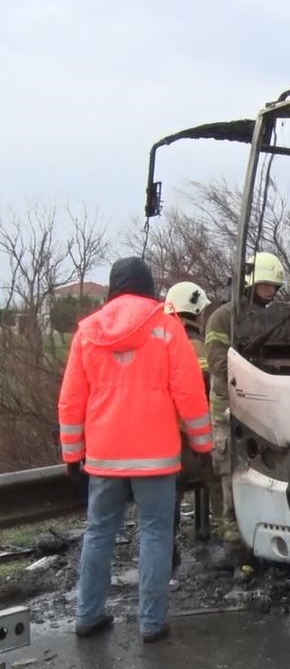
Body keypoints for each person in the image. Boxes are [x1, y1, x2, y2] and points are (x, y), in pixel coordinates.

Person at [58, 257, 212, 643]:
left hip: (105, 455)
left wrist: (72, 454)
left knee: (98, 533)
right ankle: (151, 623)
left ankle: (88, 615)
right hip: (156, 456)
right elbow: (190, 393)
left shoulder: (87, 332)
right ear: (149, 286)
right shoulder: (167, 327)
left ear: (112, 288)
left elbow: (71, 401)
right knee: (155, 534)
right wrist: (202, 442)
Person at [204, 252, 285, 558]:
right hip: (229, 413)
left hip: (263, 414)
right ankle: (237, 550)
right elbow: (219, 364)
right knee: (231, 481)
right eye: (267, 286)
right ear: (251, 282)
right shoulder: (224, 317)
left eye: (275, 288)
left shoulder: (271, 317)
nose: (272, 293)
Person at [163, 281, 221, 561]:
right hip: (188, 437)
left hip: (161, 435)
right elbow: (203, 390)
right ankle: (229, 540)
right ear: (196, 310)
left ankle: (166, 548)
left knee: (167, 496)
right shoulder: (195, 345)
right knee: (220, 476)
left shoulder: (159, 339)